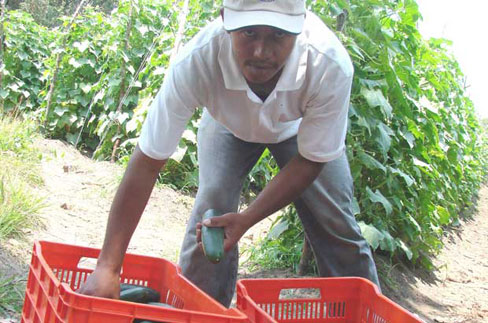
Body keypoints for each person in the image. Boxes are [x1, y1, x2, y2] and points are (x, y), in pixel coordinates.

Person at [78, 0, 380, 307]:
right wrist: (107, 266)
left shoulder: (328, 64)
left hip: (298, 129)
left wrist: (247, 218)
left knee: (336, 222)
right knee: (212, 212)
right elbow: (147, 161)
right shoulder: (198, 60)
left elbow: (312, 159)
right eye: (249, 32)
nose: (261, 51)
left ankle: (361, 310)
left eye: (278, 35)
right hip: (227, 124)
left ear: (301, 26)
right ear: (226, 20)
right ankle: (200, 310)